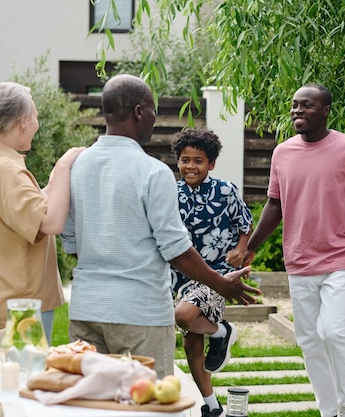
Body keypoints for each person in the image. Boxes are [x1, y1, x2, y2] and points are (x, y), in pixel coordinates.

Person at [60, 74, 260, 379]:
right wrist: (221, 284)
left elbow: (72, 243)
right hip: (139, 315)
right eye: (153, 109)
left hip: (87, 309)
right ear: (140, 112)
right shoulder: (153, 172)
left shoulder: (78, 166)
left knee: (94, 404)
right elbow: (176, 250)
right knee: (149, 406)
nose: (154, 117)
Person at [243, 83, 345, 417]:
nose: (297, 111)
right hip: (300, 260)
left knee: (332, 331)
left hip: (342, 258)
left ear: (325, 111)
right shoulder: (282, 153)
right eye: (294, 105)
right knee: (309, 340)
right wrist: (250, 247)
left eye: (306, 105)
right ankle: (328, 410)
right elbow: (274, 206)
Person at [0, 81, 85, 354]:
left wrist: (56, 178)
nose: (37, 124)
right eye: (35, 117)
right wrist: (65, 165)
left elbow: (32, 206)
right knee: (22, 383)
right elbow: (50, 222)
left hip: (6, 297)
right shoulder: (8, 170)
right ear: (22, 122)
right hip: (22, 306)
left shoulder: (1, 165)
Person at [170, 127, 253, 417]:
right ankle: (212, 406)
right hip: (179, 277)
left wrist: (241, 250)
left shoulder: (225, 191)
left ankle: (222, 332)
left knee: (184, 316)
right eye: (184, 159)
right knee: (192, 344)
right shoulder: (169, 192)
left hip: (216, 274)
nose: (190, 166)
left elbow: (245, 224)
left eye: (198, 160)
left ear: (211, 164)